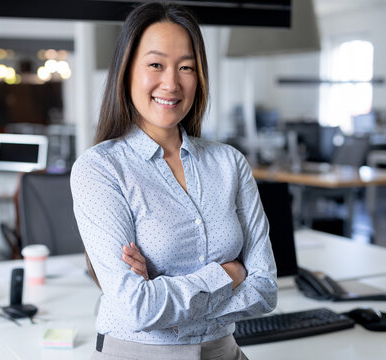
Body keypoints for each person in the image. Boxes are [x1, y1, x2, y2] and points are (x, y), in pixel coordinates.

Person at [70, 2, 277, 359]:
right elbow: (137, 309)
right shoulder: (100, 168)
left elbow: (266, 290)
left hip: (224, 351)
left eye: (186, 68)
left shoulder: (230, 163)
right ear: (127, 70)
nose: (171, 83)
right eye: (155, 64)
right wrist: (228, 274)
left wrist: (163, 294)